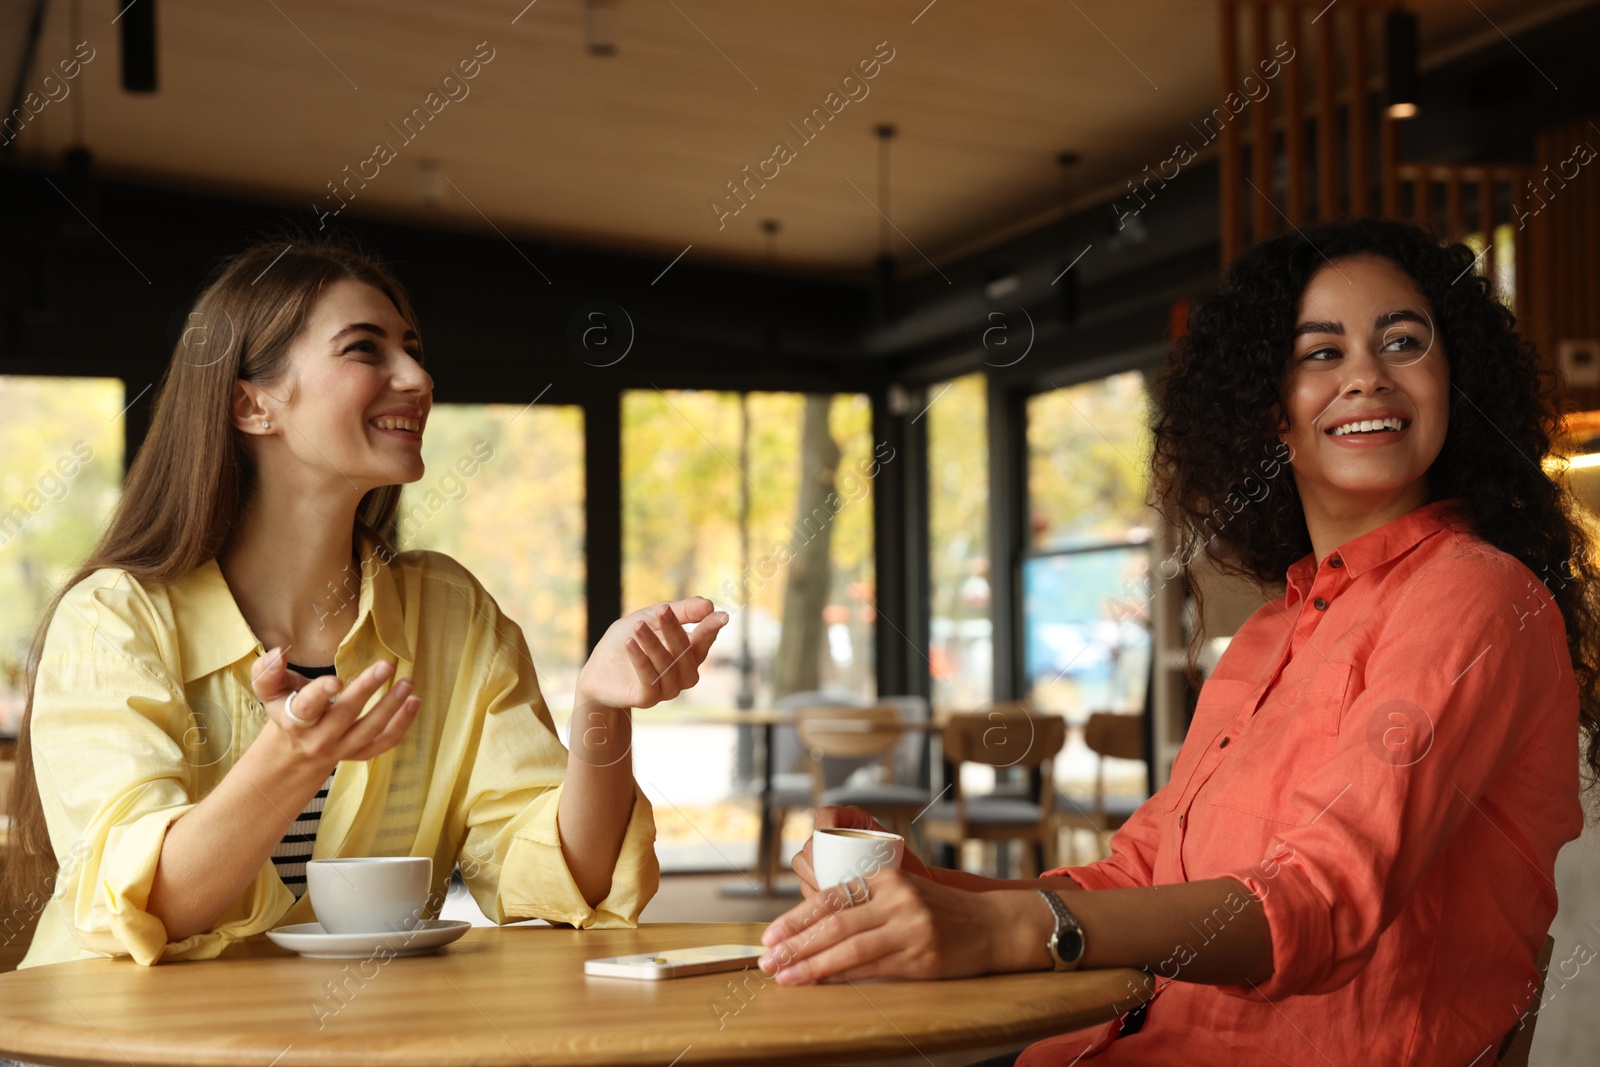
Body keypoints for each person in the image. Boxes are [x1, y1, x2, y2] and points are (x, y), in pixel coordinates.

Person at [757, 218, 1600, 1066]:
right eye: (1320, 352)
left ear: (1455, 379)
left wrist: (999, 925)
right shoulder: (1270, 635)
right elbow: (1140, 875)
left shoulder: (1475, 594)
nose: (1367, 376)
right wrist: (925, 889)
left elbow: (1319, 902)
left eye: (1404, 341)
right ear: (1268, 411)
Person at [1, 236, 727, 969]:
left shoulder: (451, 613)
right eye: (364, 350)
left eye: (412, 348)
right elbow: (153, 909)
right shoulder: (112, 621)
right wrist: (290, 759)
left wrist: (602, 711)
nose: (417, 376)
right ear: (252, 404)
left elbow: (562, 880)